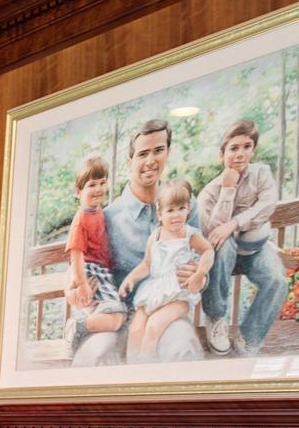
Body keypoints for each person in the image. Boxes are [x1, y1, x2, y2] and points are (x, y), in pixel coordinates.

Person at [72, 119, 206, 366]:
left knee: (182, 346)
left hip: (167, 311)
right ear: (129, 161)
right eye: (143, 154)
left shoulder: (185, 204)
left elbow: (201, 262)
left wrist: (198, 275)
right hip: (119, 317)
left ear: (168, 152)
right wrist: (77, 292)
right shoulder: (107, 217)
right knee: (89, 357)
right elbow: (80, 270)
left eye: (158, 151)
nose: (151, 161)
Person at [196, 118, 286, 355]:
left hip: (255, 248)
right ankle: (215, 317)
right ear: (222, 153)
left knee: (277, 280)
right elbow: (212, 233)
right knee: (222, 243)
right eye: (233, 148)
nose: (240, 154)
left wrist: (234, 224)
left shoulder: (261, 173)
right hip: (223, 256)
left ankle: (249, 337)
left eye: (247, 147)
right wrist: (227, 191)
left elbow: (267, 205)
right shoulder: (209, 193)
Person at [121, 176, 214, 357]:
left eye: (181, 208)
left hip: (178, 295)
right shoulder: (155, 237)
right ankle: (133, 368)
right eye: (170, 210)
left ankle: (149, 368)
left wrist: (200, 273)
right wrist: (130, 278)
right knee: (136, 330)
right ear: (160, 214)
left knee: (153, 327)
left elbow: (208, 251)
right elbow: (147, 264)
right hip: (154, 291)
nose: (176, 215)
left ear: (188, 208)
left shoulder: (189, 235)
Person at [62, 156, 126, 337]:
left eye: (102, 183)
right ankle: (77, 327)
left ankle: (85, 328)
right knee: (116, 316)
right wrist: (82, 285)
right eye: (92, 185)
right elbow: (76, 257)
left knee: (118, 316)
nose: (98, 189)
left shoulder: (98, 211)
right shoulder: (81, 220)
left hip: (101, 271)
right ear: (78, 191)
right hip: (90, 271)